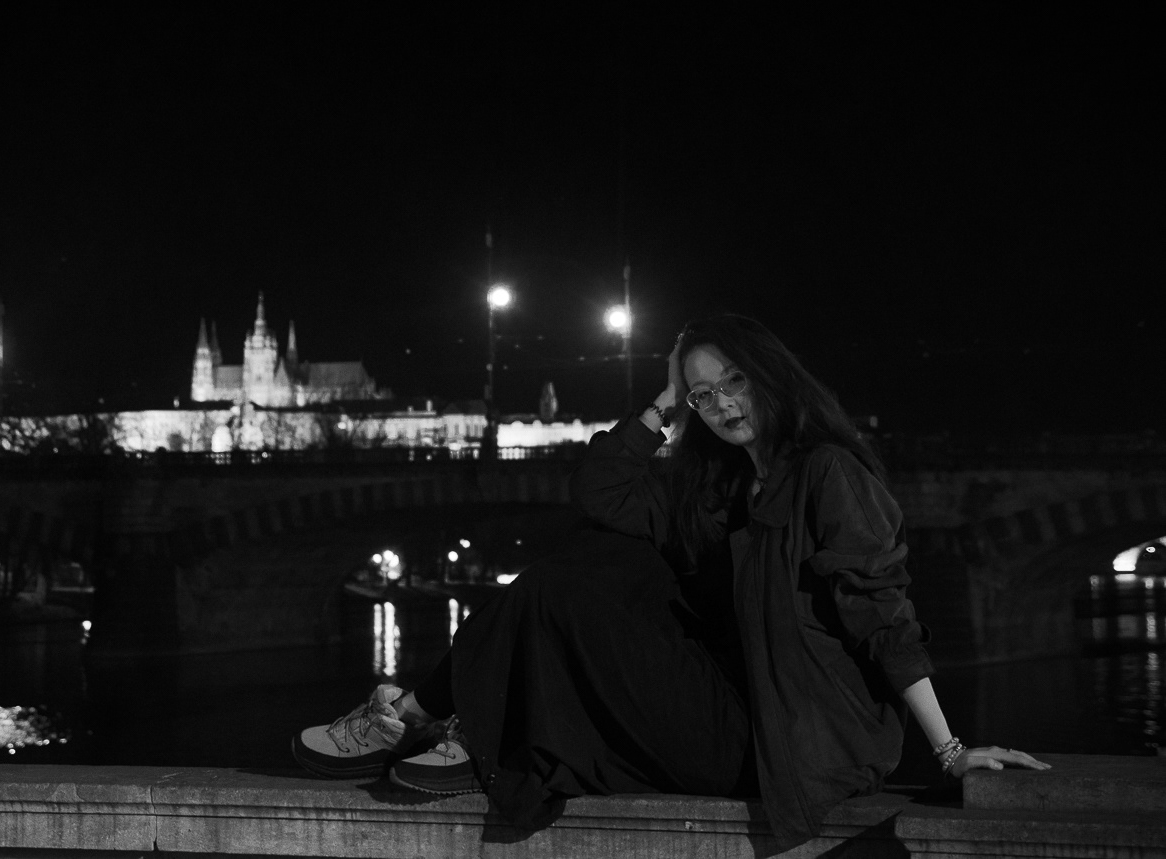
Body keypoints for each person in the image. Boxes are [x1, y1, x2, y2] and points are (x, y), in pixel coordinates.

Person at [293, 314, 1049, 839]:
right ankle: (443, 720)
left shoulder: (828, 474)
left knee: (571, 580)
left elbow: (881, 613)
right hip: (737, 707)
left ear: (770, 376)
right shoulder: (720, 488)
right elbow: (601, 494)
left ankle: (421, 717)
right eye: (702, 394)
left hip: (796, 737)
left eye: (734, 382)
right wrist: (662, 399)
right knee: (588, 563)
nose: (721, 405)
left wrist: (950, 751)